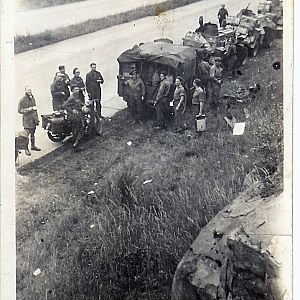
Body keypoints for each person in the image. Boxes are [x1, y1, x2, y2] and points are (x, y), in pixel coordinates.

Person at [18, 86, 41, 155]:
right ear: (25, 91)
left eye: (30, 90)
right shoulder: (22, 99)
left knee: (33, 133)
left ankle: (33, 146)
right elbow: (19, 110)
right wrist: (29, 109)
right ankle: (26, 149)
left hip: (33, 120)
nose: (29, 91)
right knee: (26, 135)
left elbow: (35, 109)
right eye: (28, 90)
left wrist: (37, 119)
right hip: (27, 120)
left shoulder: (32, 97)